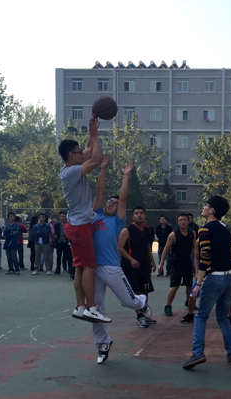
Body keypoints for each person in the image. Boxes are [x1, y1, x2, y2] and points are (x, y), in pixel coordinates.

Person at [89, 157, 152, 364]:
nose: (111, 203)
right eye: (110, 201)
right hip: (93, 268)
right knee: (96, 310)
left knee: (129, 302)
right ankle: (102, 343)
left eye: (115, 204)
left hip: (111, 268)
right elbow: (99, 192)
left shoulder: (117, 222)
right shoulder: (97, 215)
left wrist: (126, 176)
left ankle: (141, 303)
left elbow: (123, 199)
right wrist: (103, 169)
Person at [183, 195, 231, 369]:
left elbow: (205, 258)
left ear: (212, 210)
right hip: (230, 277)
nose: (204, 208)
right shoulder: (225, 229)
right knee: (222, 316)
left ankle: (197, 352)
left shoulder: (204, 229)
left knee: (201, 315)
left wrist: (199, 283)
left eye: (206, 205)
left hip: (214, 277)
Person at [59, 115, 104, 322]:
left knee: (79, 266)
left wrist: (92, 133)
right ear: (71, 155)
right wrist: (95, 137)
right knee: (89, 267)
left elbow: (88, 151)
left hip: (74, 224)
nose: (81, 154)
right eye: (78, 152)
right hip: (80, 226)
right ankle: (91, 308)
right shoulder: (72, 172)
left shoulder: (69, 168)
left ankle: (79, 307)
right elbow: (96, 159)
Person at [118, 206, 157, 328]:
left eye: (141, 213)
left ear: (145, 216)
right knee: (136, 291)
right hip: (130, 265)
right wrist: (131, 259)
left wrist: (152, 261)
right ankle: (139, 316)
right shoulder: (127, 230)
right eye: (136, 213)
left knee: (145, 290)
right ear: (133, 217)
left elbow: (147, 246)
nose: (139, 215)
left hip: (144, 264)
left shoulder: (148, 230)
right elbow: (120, 247)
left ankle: (144, 314)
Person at [159, 213, 198, 319]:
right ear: (177, 222)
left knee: (189, 285)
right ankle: (168, 306)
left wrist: (196, 267)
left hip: (187, 263)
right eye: (180, 220)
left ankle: (189, 302)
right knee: (175, 285)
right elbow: (166, 249)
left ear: (188, 221)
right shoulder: (173, 235)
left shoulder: (192, 233)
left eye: (184, 220)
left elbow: (194, 250)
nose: (182, 222)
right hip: (175, 263)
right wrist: (161, 263)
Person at [54, 211, 73, 276]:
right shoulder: (57, 224)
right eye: (62, 216)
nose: (63, 217)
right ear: (59, 217)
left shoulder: (69, 224)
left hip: (66, 242)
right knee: (59, 256)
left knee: (68, 256)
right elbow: (55, 232)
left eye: (64, 216)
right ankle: (58, 269)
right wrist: (56, 237)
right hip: (59, 242)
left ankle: (70, 269)